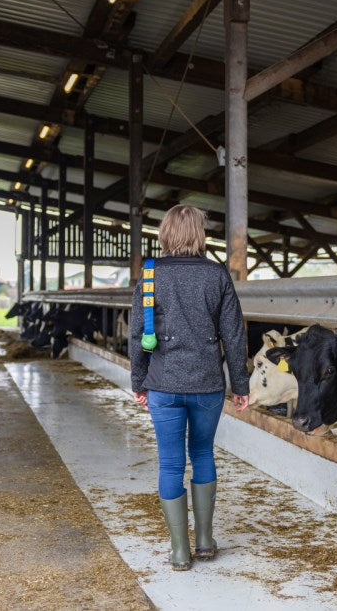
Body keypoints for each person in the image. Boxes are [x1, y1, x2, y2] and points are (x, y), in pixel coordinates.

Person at [129, 204, 249, 571]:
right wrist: (240, 384)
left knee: (169, 463)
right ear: (200, 234)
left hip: (163, 385)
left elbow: (137, 335)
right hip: (207, 385)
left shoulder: (149, 276)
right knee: (202, 454)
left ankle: (179, 551)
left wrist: (139, 381)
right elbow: (234, 334)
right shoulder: (217, 275)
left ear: (165, 233)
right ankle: (205, 542)